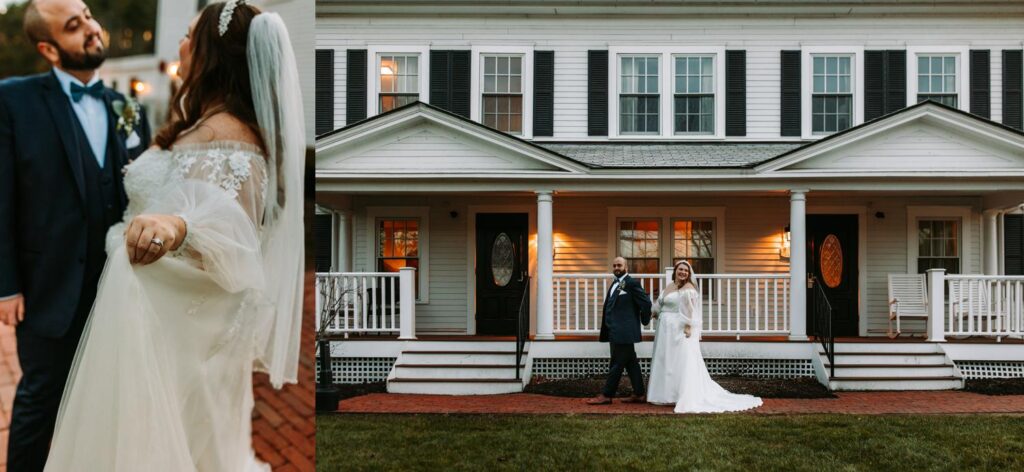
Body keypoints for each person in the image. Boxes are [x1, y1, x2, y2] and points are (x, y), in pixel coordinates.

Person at [42, 0, 305, 469]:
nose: (180, 45)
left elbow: (226, 223)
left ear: (212, 53)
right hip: (101, 300)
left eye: (189, 35)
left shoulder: (202, 129)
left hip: (164, 319)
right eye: (73, 25)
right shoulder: (199, 123)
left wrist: (174, 225)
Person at [0, 0, 152, 469]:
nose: (91, 28)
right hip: (49, 287)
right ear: (47, 47)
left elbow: (142, 190)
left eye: (88, 15)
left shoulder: (128, 107)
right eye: (74, 25)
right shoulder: (13, 99)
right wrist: (6, 286)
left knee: (107, 399)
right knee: (39, 403)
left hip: (118, 288)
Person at [647, 260, 762, 413]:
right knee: (665, 359)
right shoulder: (669, 286)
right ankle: (663, 395)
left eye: (686, 271)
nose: (683, 272)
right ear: (675, 271)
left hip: (677, 328)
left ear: (689, 274)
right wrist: (652, 313)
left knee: (678, 360)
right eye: (680, 269)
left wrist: (688, 326)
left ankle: (677, 395)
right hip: (664, 329)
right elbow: (660, 304)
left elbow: (690, 310)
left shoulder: (689, 289)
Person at [588, 257, 652, 405]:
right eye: (614, 265)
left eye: (619, 265)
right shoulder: (615, 284)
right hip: (614, 331)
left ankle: (606, 395)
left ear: (626, 268)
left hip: (625, 332)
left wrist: (644, 320)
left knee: (616, 363)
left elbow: (646, 303)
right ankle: (639, 393)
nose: (616, 267)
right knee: (631, 363)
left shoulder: (631, 283)